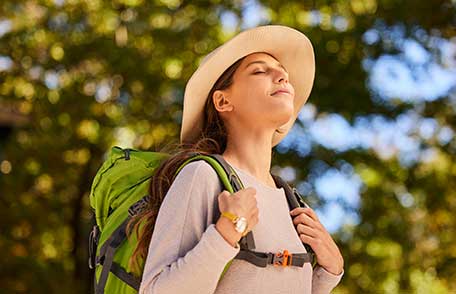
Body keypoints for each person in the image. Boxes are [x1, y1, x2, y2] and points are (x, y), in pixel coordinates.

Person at [132, 24, 344, 294]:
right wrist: (227, 232)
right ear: (222, 102)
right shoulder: (203, 176)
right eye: (259, 70)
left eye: (283, 72)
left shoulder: (291, 202)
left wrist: (328, 273)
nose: (282, 75)